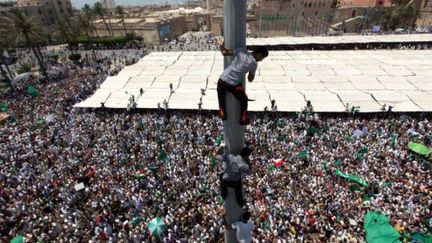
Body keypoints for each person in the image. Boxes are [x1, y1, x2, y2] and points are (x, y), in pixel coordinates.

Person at [217, 40, 268, 125]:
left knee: (221, 96)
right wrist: (252, 71)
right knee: (244, 100)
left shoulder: (240, 51)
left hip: (222, 80)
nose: (261, 60)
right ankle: (243, 118)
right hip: (233, 85)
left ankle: (222, 112)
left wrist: (221, 45)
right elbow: (250, 79)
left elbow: (224, 53)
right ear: (259, 55)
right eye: (262, 58)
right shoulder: (254, 64)